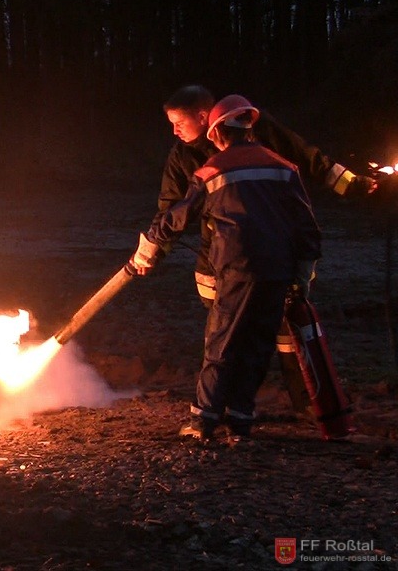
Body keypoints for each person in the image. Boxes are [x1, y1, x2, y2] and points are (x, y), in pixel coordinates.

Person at [154, 85, 376, 416]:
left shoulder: (255, 139)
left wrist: (352, 186)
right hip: (224, 259)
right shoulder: (183, 156)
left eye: (179, 123)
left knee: (271, 333)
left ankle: (297, 402)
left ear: (205, 119)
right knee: (237, 337)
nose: (174, 131)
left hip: (260, 254)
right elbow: (172, 209)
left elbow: (307, 157)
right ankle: (236, 409)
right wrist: (153, 250)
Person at [131, 94, 322, 441]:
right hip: (277, 272)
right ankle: (240, 419)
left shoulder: (211, 171)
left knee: (222, 343)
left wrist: (148, 247)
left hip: (237, 269)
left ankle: (203, 420)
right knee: (257, 344)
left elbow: (178, 214)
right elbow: (307, 226)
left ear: (216, 132)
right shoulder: (283, 167)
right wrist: (303, 274)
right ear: (248, 126)